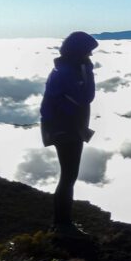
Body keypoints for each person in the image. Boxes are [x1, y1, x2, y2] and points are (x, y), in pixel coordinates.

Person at [40, 31, 98, 235]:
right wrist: (87, 71)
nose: (90, 56)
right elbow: (87, 96)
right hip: (68, 129)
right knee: (68, 176)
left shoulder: (61, 69)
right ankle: (62, 224)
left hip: (61, 128)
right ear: (79, 52)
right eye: (88, 52)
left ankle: (62, 222)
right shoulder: (70, 72)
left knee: (68, 176)